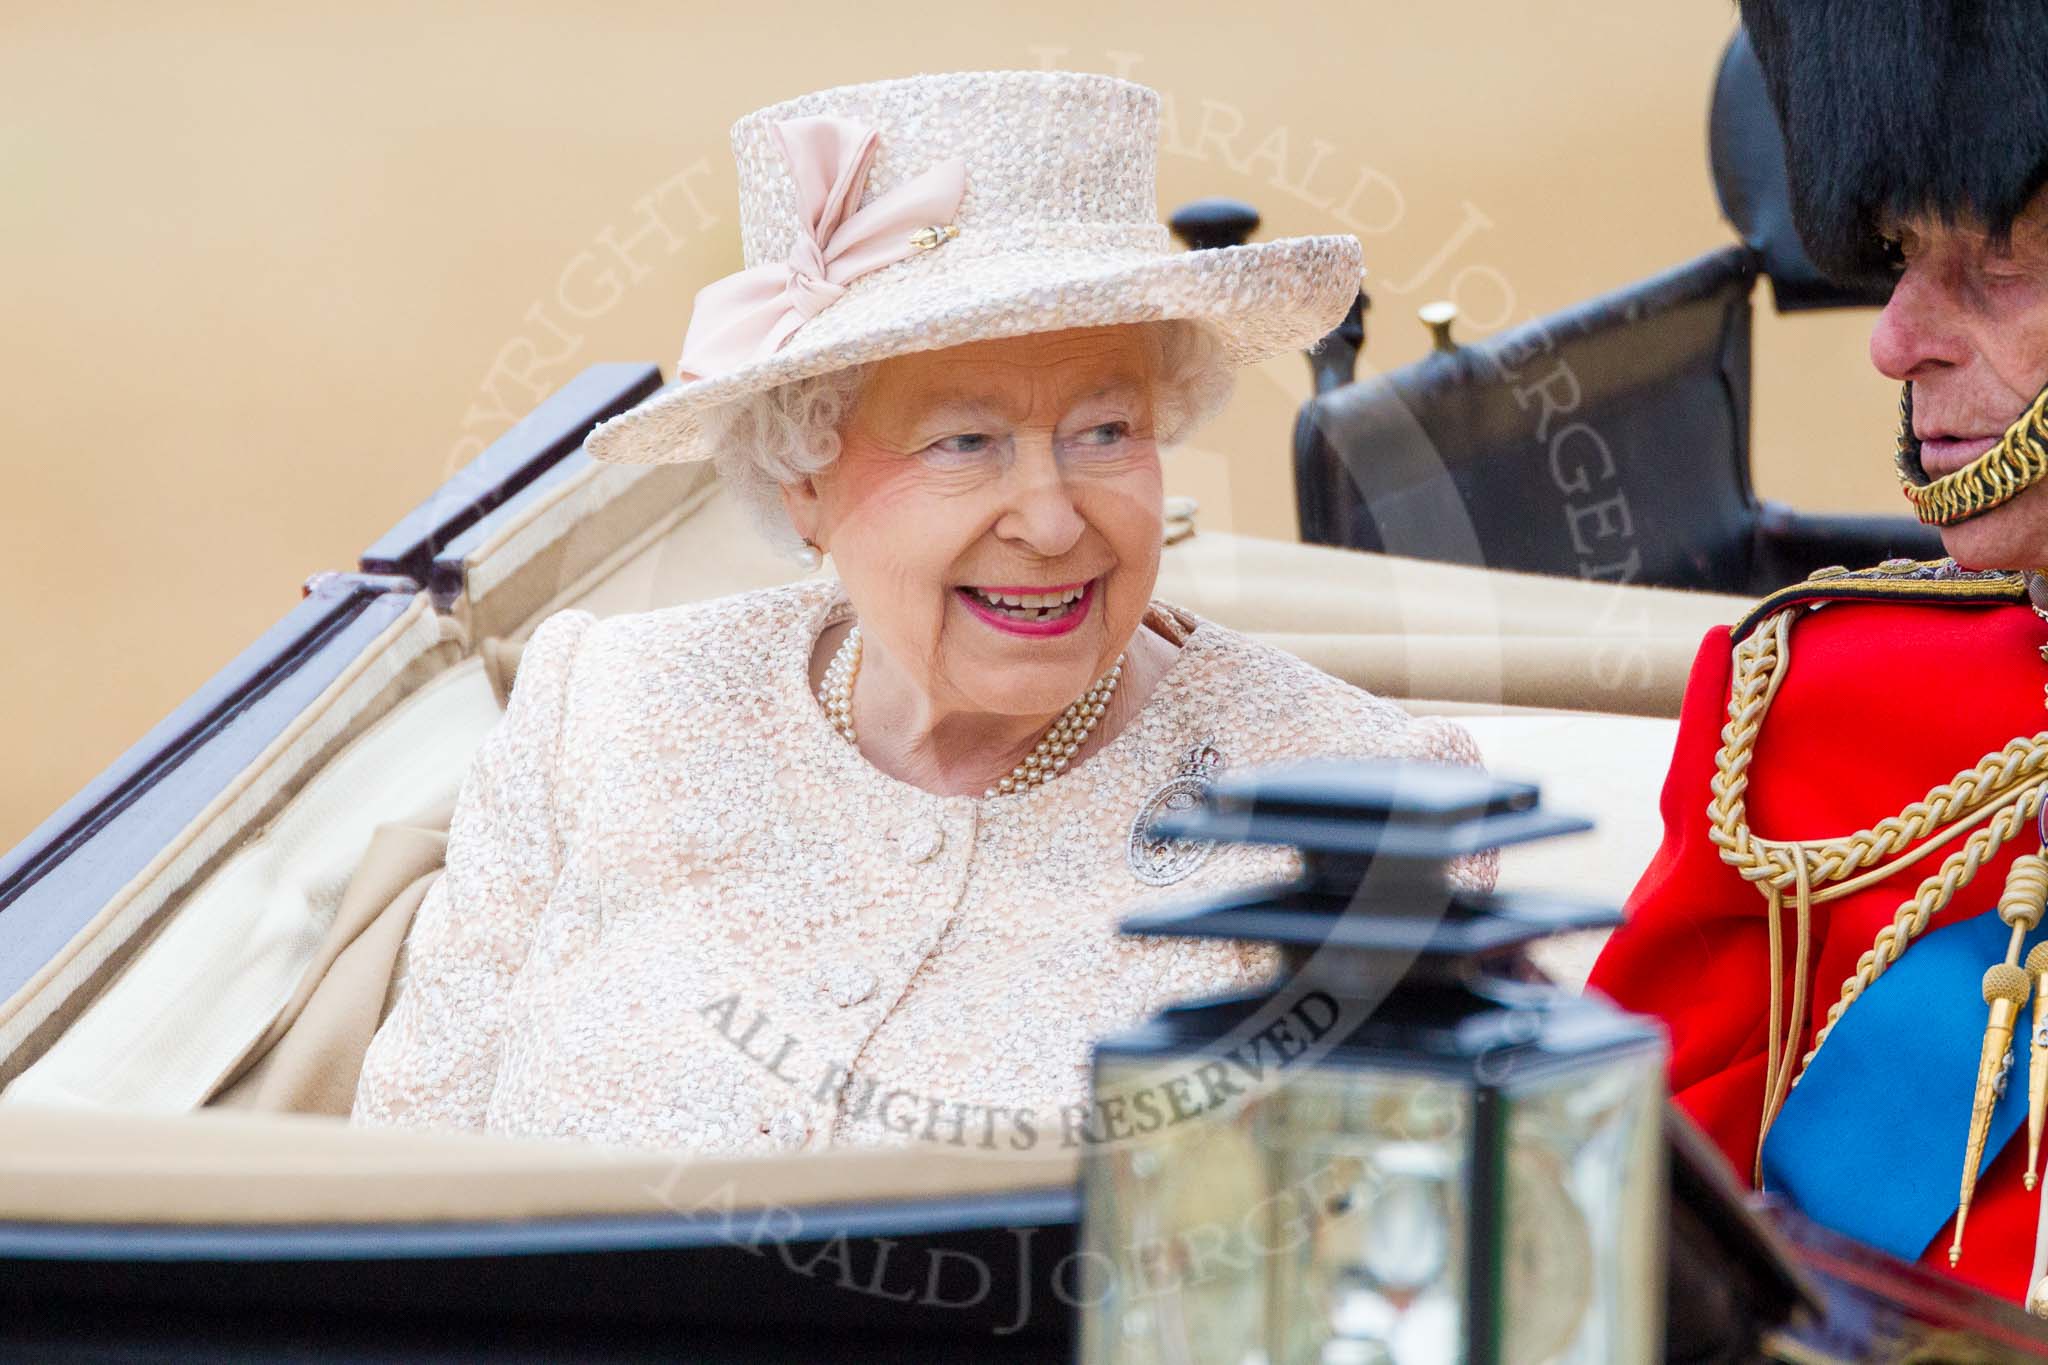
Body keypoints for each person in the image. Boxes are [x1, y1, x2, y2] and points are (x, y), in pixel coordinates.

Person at [350, 70, 1491, 1158]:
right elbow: (391, 1209)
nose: (1048, 521)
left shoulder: (1354, 807)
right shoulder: (598, 709)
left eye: (1104, 431)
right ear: (803, 477)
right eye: (964, 443)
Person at [1589, 0, 2048, 1310]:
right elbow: (1626, 1224)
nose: (1893, 338)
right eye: (1903, 257)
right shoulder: (1815, 710)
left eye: (1995, 266)